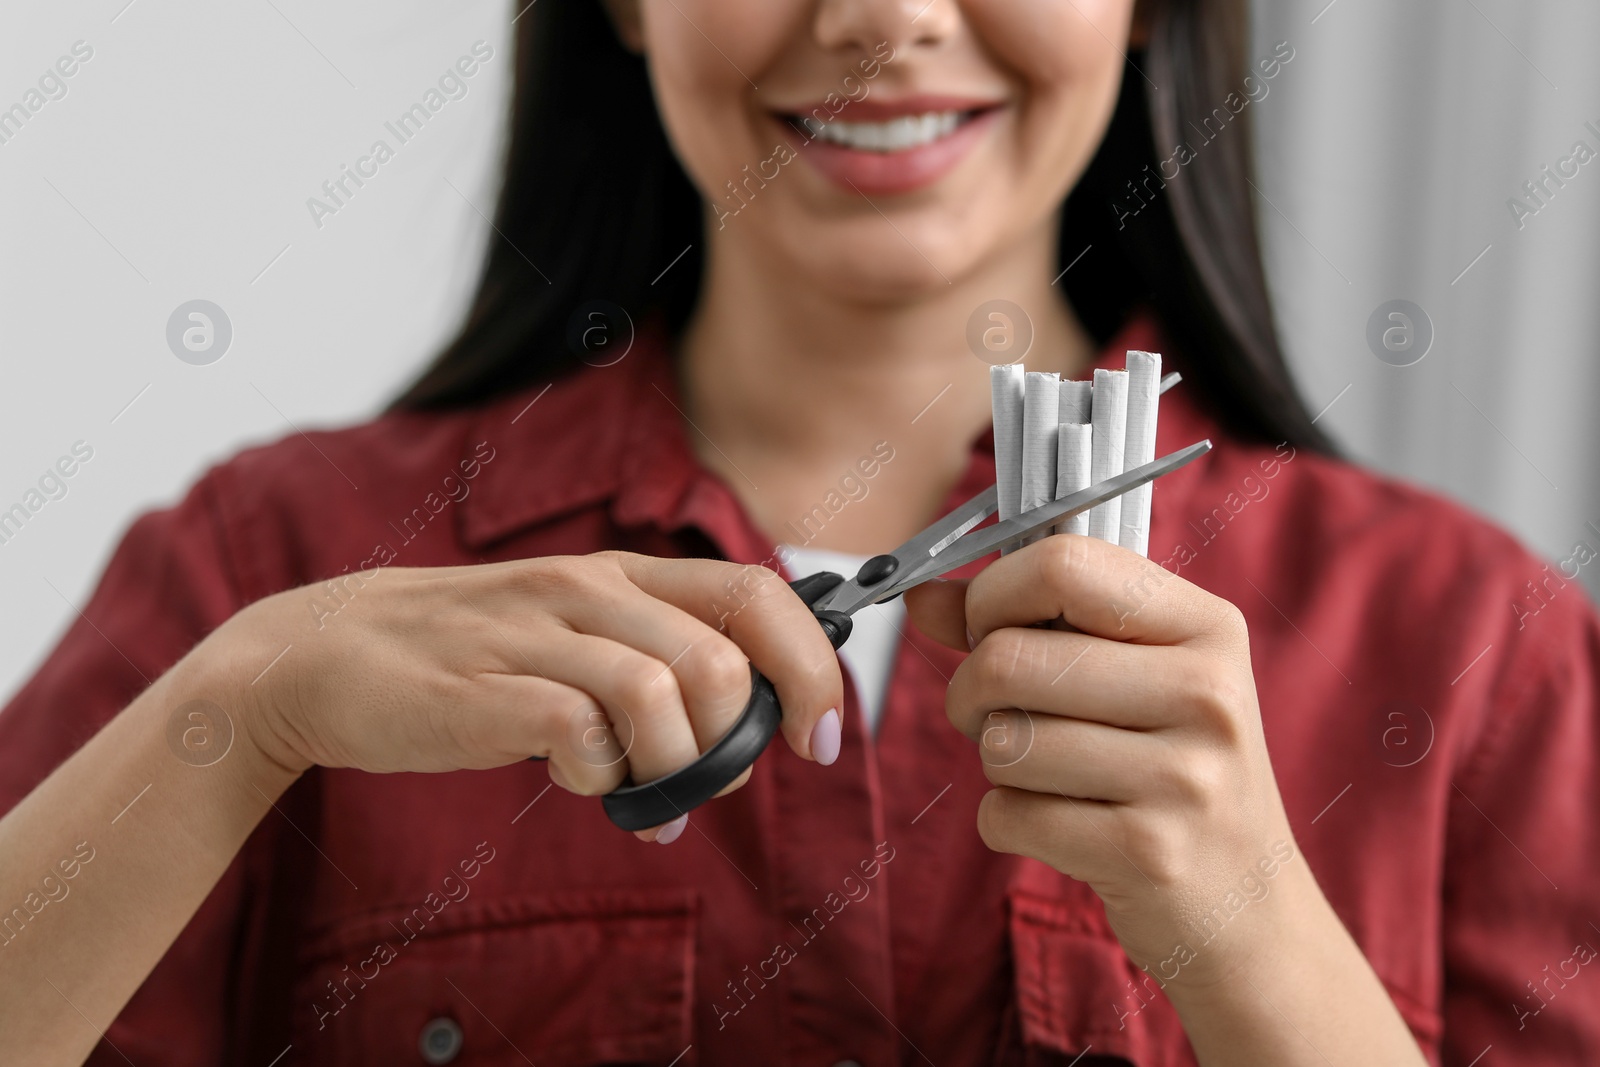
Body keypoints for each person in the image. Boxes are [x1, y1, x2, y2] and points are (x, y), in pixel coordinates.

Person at [2, 1, 1595, 1064]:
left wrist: (1255, 943)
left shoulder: (1474, 646)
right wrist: (249, 707)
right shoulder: (270, 570)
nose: (883, 19)